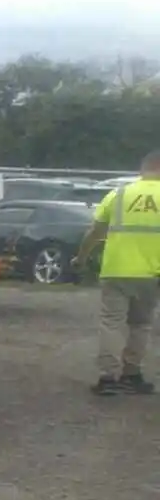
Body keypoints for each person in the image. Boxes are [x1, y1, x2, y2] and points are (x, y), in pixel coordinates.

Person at [75, 152, 160, 395]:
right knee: (141, 325)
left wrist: (81, 258)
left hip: (116, 269)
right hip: (152, 272)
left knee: (112, 323)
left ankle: (108, 378)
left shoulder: (119, 194)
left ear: (143, 169)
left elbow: (95, 231)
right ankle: (132, 374)